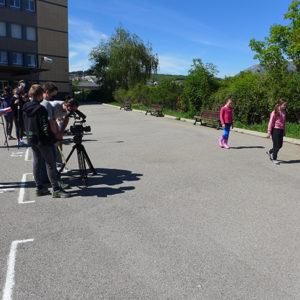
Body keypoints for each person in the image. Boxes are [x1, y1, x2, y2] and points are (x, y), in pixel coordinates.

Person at [23, 84, 70, 198]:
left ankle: (39, 188)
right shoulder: (41, 109)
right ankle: (56, 189)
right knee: (50, 164)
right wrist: (53, 138)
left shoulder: (25, 106)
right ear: (40, 95)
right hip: (43, 140)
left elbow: (22, 123)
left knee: (37, 162)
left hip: (31, 138)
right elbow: (45, 127)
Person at [267, 99, 287, 165]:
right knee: (276, 145)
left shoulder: (284, 112)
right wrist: (269, 132)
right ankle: (274, 158)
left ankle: (270, 151)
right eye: (284, 105)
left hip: (281, 130)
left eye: (285, 105)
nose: (285, 106)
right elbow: (270, 122)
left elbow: (284, 123)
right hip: (275, 130)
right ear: (280, 104)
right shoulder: (275, 112)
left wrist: (284, 131)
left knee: (280, 145)